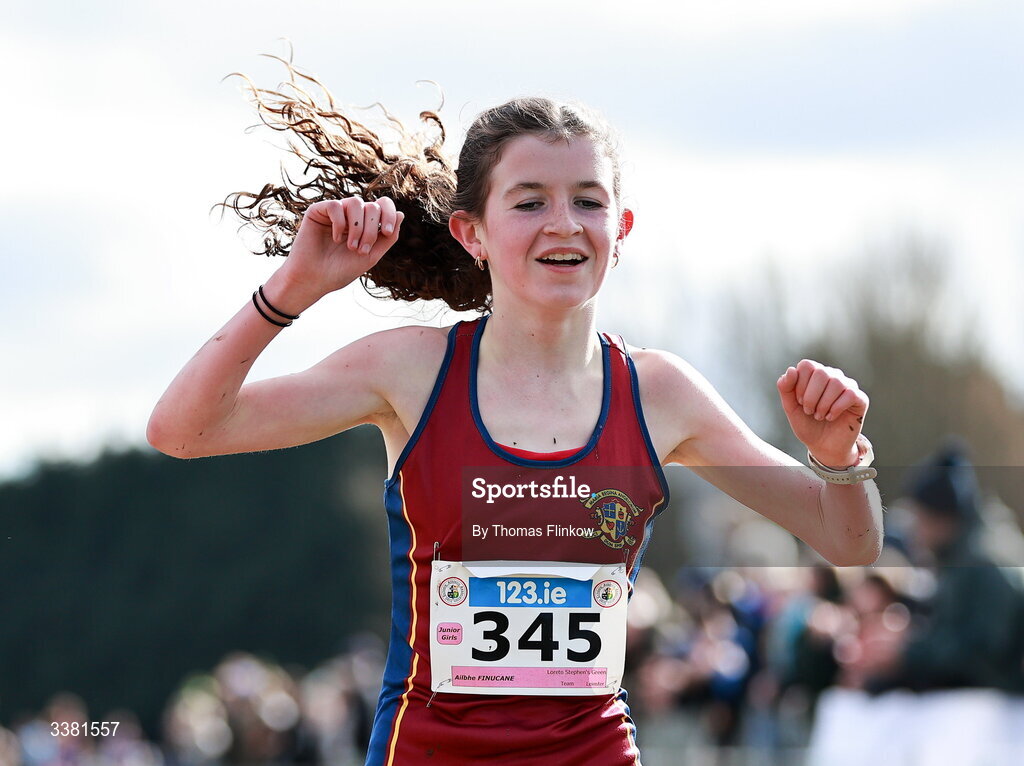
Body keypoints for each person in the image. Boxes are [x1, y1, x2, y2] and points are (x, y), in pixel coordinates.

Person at [147, 64, 883, 765]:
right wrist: (294, 289)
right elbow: (183, 429)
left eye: (587, 201)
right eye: (529, 201)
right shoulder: (411, 371)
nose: (563, 224)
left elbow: (847, 541)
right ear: (473, 232)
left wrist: (839, 457)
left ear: (620, 229)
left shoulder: (660, 395)